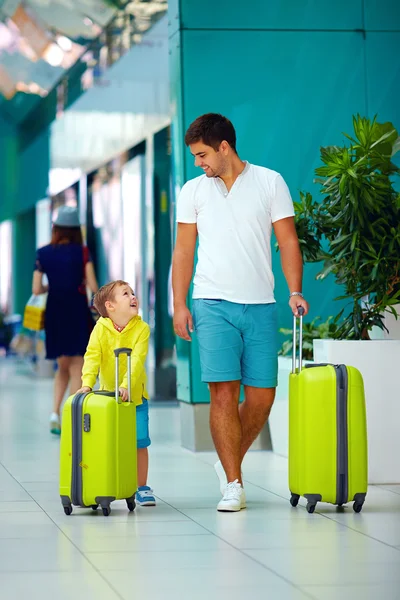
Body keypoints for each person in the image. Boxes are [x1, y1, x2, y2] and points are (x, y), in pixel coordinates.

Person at [172, 113, 309, 512]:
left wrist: (294, 290)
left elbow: (287, 241)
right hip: (211, 303)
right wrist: (180, 303)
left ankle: (227, 458)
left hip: (261, 305)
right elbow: (183, 251)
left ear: (224, 148)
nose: (199, 163)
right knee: (223, 393)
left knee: (263, 398)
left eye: (202, 155)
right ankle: (234, 482)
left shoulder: (270, 182)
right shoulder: (193, 191)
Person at [76, 280, 156, 507]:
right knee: (106, 442)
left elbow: (137, 360)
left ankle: (142, 487)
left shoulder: (142, 329)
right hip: (107, 401)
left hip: (135, 399)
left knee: (140, 443)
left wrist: (126, 386)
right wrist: (87, 384)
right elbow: (91, 357)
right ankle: (103, 482)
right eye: (125, 294)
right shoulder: (100, 329)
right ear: (110, 306)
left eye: (132, 292)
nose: (133, 296)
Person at [32, 206, 99, 435]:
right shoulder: (82, 252)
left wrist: (51, 286)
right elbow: (92, 286)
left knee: (61, 366)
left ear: (56, 229)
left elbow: (36, 288)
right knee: (77, 367)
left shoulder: (43, 253)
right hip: (77, 311)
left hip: (55, 312)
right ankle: (72, 417)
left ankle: (54, 413)